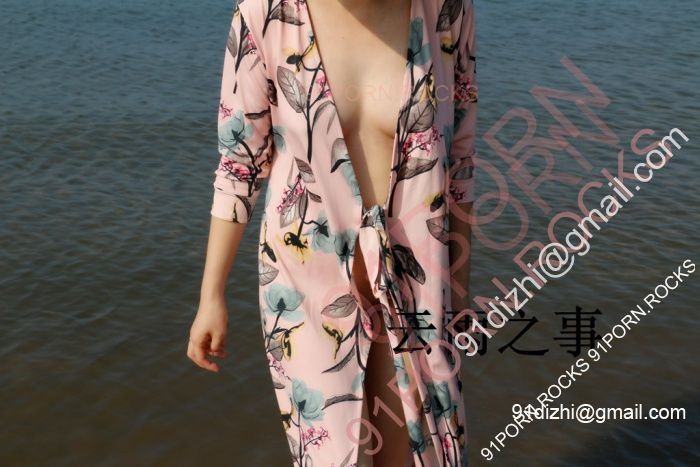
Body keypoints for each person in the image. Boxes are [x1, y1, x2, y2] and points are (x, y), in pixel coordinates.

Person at [188, 0, 477, 465]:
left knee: (415, 454)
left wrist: (459, 292)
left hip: (417, 285)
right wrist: (211, 295)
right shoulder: (265, 14)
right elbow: (241, 162)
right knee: (330, 456)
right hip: (307, 289)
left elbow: (459, 160)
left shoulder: (446, 10)